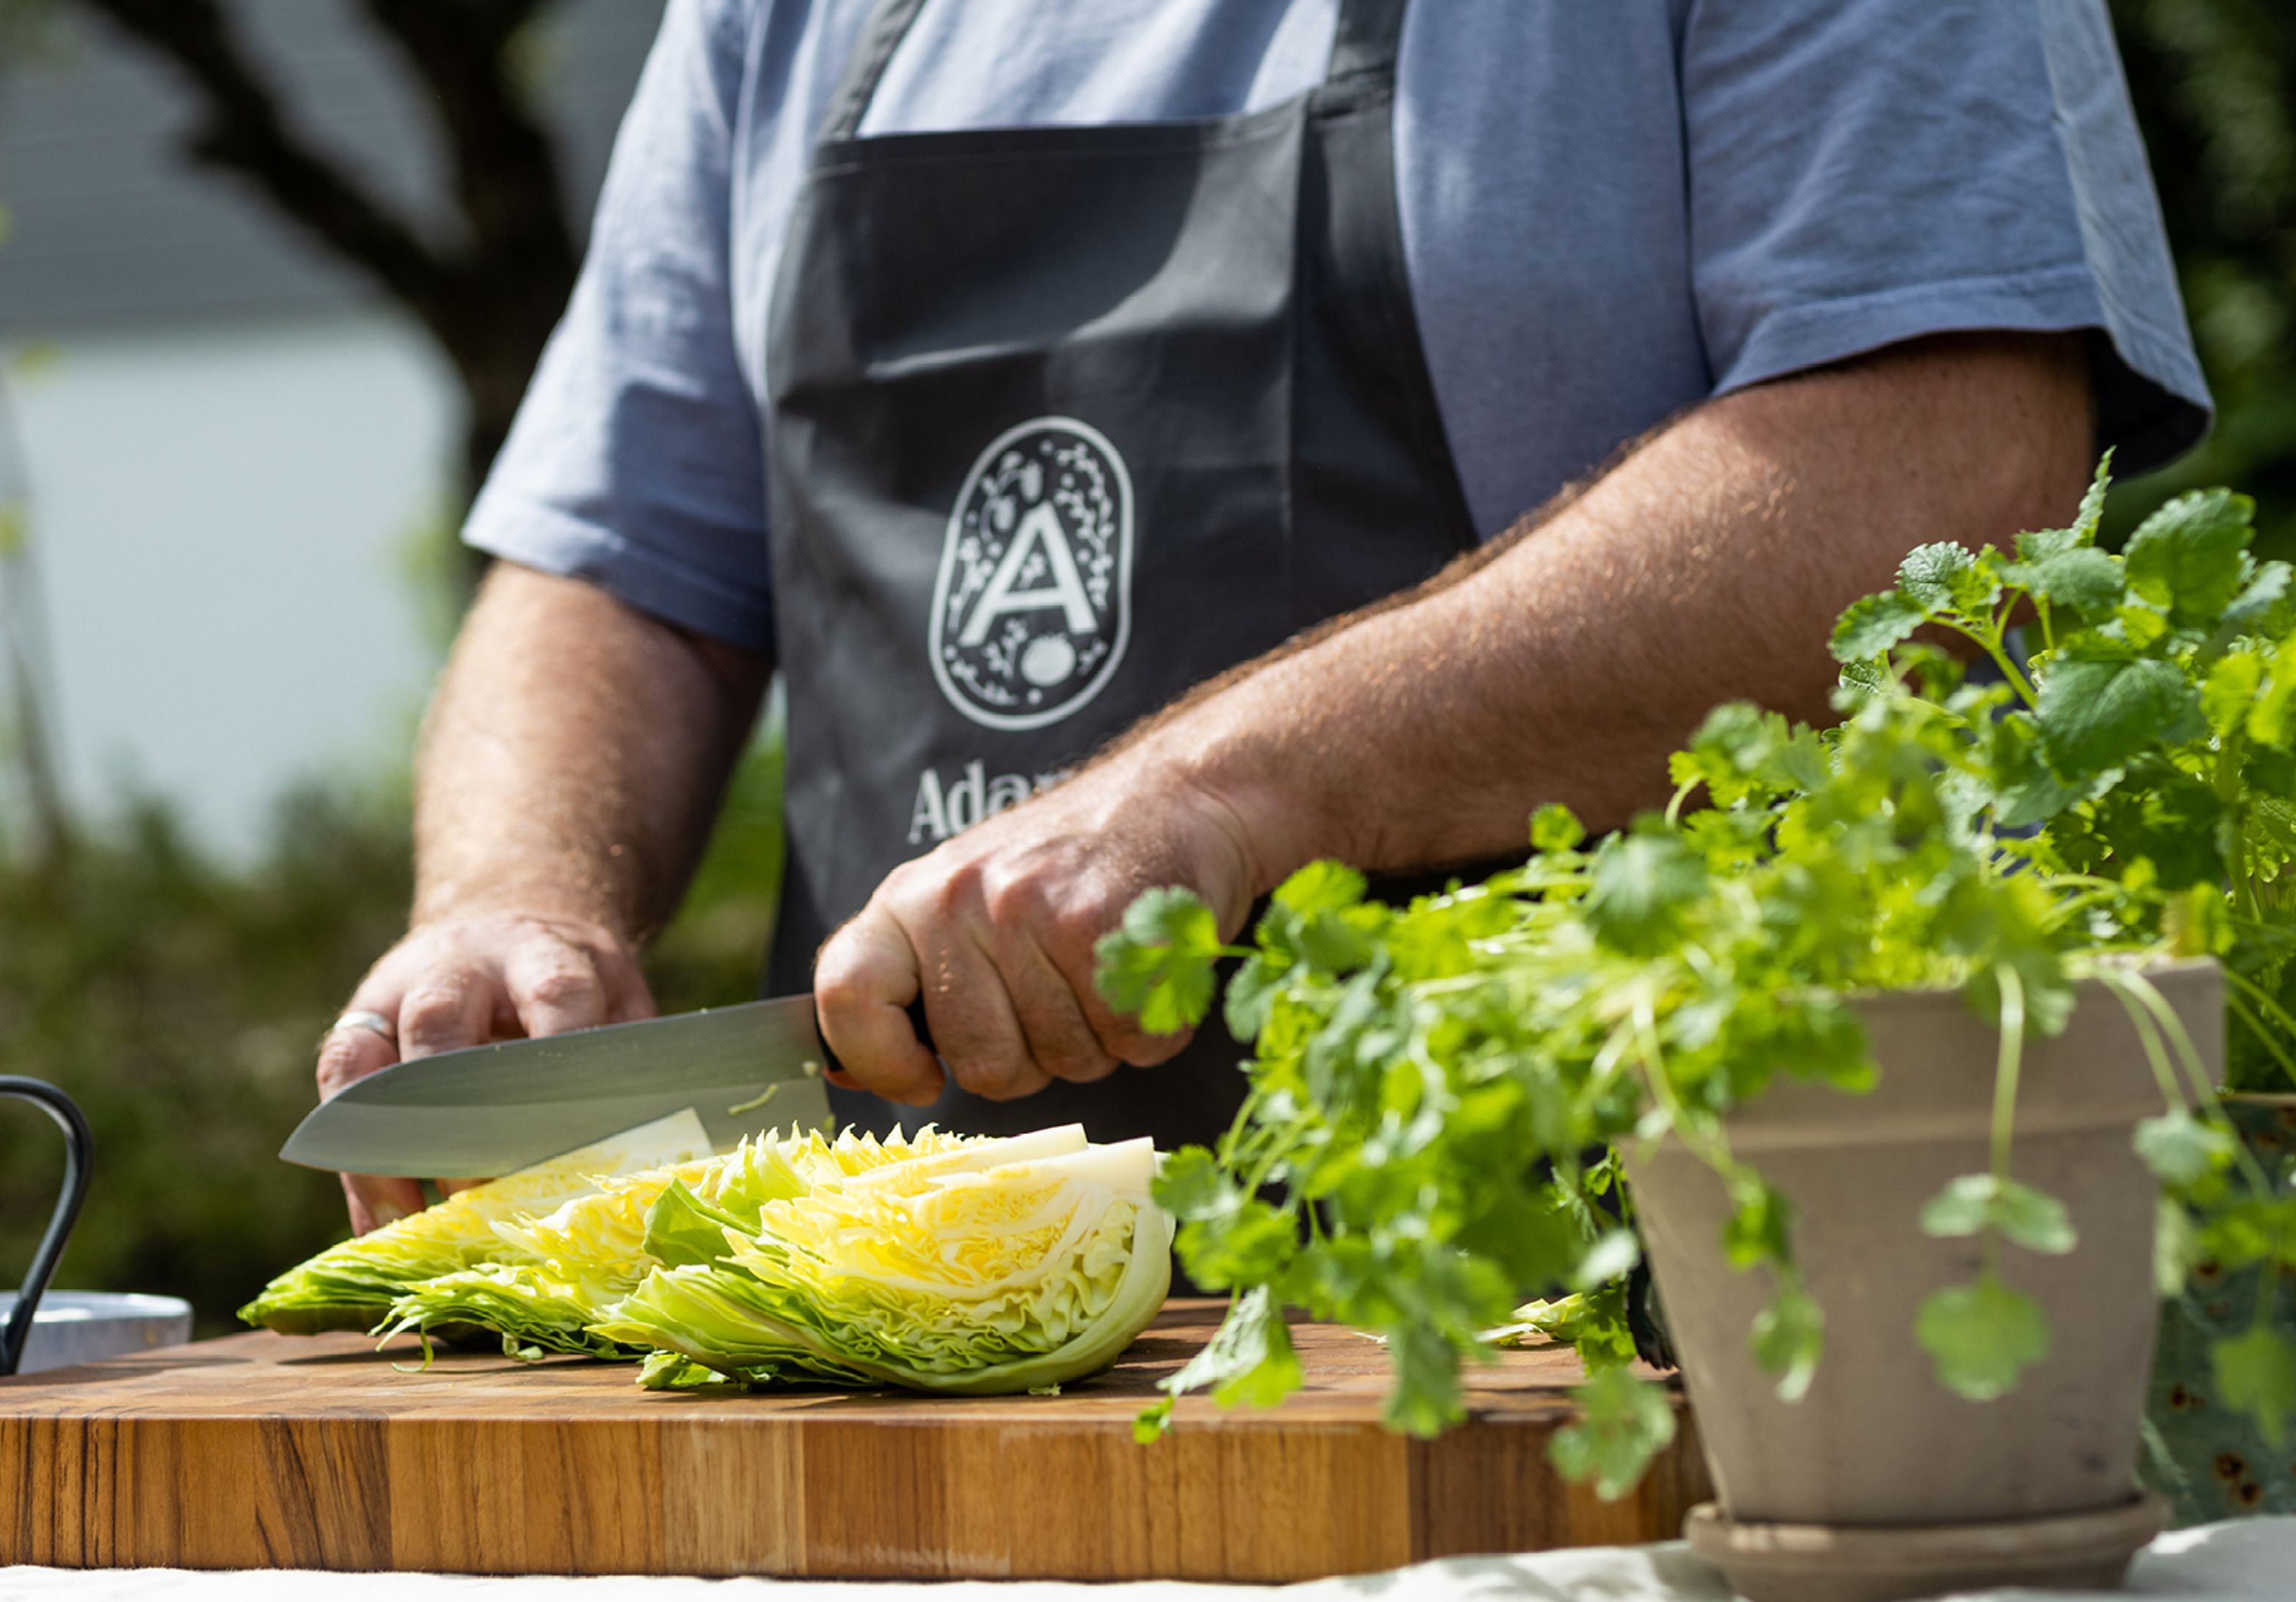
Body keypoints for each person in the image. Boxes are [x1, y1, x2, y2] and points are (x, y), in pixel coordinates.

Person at [314, 0, 2209, 1231]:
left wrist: (1224, 791)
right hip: (909, 1345)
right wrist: (515, 904)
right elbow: (616, 563)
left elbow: (1943, 485)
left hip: (1616, 1303)